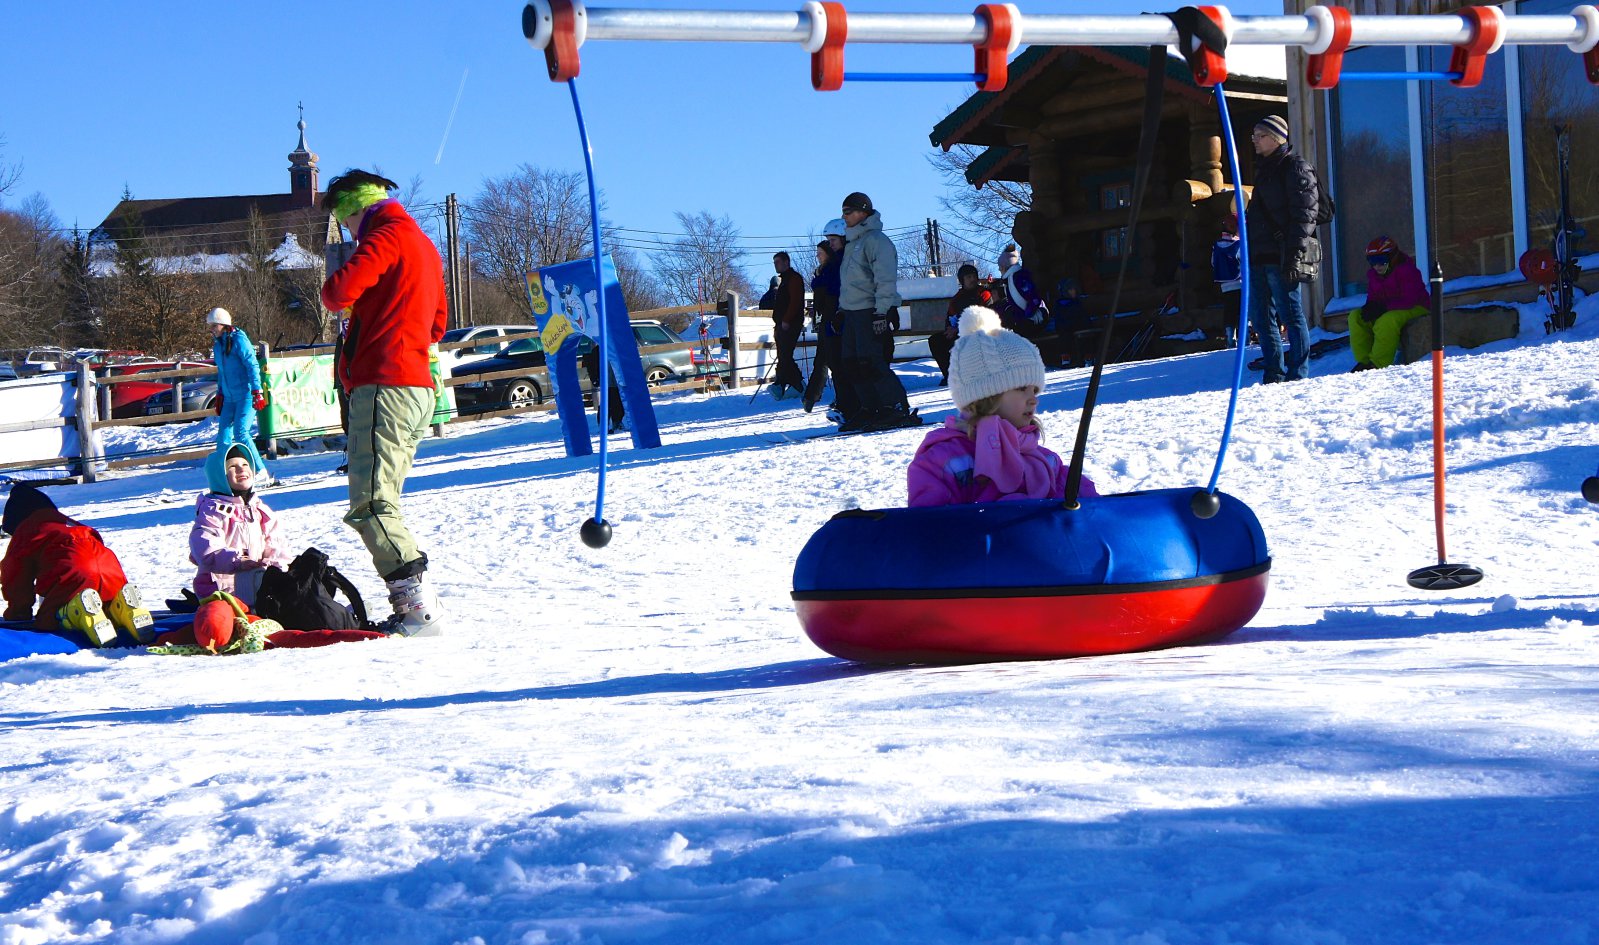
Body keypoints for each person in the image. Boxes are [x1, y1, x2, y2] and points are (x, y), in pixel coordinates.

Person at [320, 169, 448, 636]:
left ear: (355, 210)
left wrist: (359, 303)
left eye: (345, 224)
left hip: (384, 383)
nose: (349, 234)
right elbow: (437, 325)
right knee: (383, 499)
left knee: (371, 503)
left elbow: (336, 294)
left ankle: (417, 608)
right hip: (417, 387)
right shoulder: (423, 244)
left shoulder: (385, 236)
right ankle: (415, 603)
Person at [907, 306, 1097, 507]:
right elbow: (929, 522)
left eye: (1034, 390)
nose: (1034, 400)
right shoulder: (946, 462)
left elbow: (1091, 512)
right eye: (1021, 388)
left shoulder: (1045, 461)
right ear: (985, 395)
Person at [1, 484, 154, 646]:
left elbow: (15, 577)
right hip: (109, 566)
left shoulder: (26, 530)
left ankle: (73, 612)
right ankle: (122, 608)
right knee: (104, 608)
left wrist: (18, 613)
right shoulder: (70, 523)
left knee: (49, 620)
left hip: (75, 570)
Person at [1244, 114, 1318, 383]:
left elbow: (1305, 214)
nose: (1255, 140)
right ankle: (1273, 373)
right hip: (1259, 255)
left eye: (1260, 135)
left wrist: (1295, 254)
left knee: (1290, 313)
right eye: (1253, 135)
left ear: (1276, 138)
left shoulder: (1295, 167)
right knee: (1261, 318)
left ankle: (1298, 372)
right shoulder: (1264, 170)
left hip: (1282, 255)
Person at [836, 191, 919, 431]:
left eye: (848, 211)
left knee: (870, 361)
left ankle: (895, 406)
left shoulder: (876, 241)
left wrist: (882, 311)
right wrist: (841, 310)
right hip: (852, 312)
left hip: (870, 310)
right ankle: (870, 407)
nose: (844, 217)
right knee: (851, 362)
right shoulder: (853, 243)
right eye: (843, 212)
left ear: (863, 212)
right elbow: (851, 282)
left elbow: (885, 279)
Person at [190, 444, 294, 607]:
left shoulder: (260, 510)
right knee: (221, 616)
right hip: (220, 591)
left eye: (245, 464)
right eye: (232, 466)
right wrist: (241, 560)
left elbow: (276, 544)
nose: (241, 469)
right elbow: (206, 549)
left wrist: (274, 569)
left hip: (258, 586)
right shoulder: (213, 512)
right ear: (219, 476)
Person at [1350, 236, 1430, 371]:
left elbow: (1410, 299)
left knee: (1386, 321)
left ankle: (1378, 364)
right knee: (1356, 317)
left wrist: (1384, 307)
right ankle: (1364, 362)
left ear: (1393, 257)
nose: (1377, 266)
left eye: (1381, 260)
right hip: (1390, 308)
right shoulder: (1374, 276)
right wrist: (1370, 308)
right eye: (1372, 261)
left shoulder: (1408, 271)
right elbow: (1373, 299)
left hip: (1417, 307)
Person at [206, 307, 268, 477]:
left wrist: (257, 391)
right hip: (228, 398)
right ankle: (224, 474)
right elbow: (222, 372)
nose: (212, 330)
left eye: (214, 326)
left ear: (223, 324)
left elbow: (252, 365)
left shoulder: (239, 340)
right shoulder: (218, 346)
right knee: (223, 437)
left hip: (245, 395)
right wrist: (220, 394)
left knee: (241, 433)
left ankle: (261, 471)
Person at [802, 225, 849, 415]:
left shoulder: (832, 269)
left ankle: (815, 396)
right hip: (826, 318)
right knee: (825, 358)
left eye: (820, 253)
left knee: (830, 359)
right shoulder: (823, 271)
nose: (817, 256)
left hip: (834, 317)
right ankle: (814, 396)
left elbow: (832, 292)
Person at [928, 263, 994, 385]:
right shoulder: (957, 298)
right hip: (960, 333)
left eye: (974, 276)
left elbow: (986, 317)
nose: (972, 279)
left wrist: (959, 329)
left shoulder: (984, 294)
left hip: (982, 332)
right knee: (935, 340)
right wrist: (949, 329)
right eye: (969, 277)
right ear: (962, 280)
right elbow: (950, 317)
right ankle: (951, 375)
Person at [769, 251, 807, 400]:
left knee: (785, 355)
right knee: (783, 355)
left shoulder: (794, 279)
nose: (775, 265)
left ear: (786, 262)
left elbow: (795, 301)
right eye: (774, 262)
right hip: (781, 323)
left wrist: (786, 319)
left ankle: (795, 384)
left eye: (778, 262)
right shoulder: (784, 280)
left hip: (790, 324)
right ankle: (785, 384)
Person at [997, 244, 1050, 340]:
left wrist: (1028, 314)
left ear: (1005, 267)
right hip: (1024, 319)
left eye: (1000, 266)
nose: (999, 269)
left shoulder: (1020, 278)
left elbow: (1035, 298)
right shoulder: (1009, 281)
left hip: (1037, 317)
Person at [1211, 214, 1243, 348]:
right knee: (1242, 309)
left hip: (1225, 284)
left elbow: (1213, 262)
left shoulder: (1216, 245)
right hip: (1239, 282)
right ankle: (1244, 336)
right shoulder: (1238, 244)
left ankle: (1230, 335)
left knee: (1229, 309)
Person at [582, 342, 626, 433]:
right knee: (607, 403)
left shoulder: (614, 348)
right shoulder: (598, 351)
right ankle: (605, 425)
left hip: (615, 380)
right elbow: (591, 366)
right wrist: (594, 378)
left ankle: (616, 422)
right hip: (606, 382)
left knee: (617, 402)